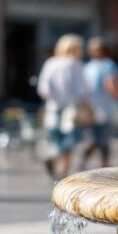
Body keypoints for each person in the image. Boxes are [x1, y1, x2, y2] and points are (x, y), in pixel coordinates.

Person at [37, 34, 90, 179]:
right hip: (72, 110)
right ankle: (62, 170)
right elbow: (82, 90)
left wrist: (53, 98)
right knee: (71, 140)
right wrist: (88, 106)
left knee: (56, 138)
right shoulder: (76, 65)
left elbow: (43, 88)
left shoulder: (51, 63)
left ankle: (56, 161)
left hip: (53, 108)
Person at [80, 37, 118, 169]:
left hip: (93, 106)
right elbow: (110, 85)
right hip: (103, 107)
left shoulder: (88, 66)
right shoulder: (108, 64)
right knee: (101, 138)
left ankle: (93, 162)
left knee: (98, 137)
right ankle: (103, 165)